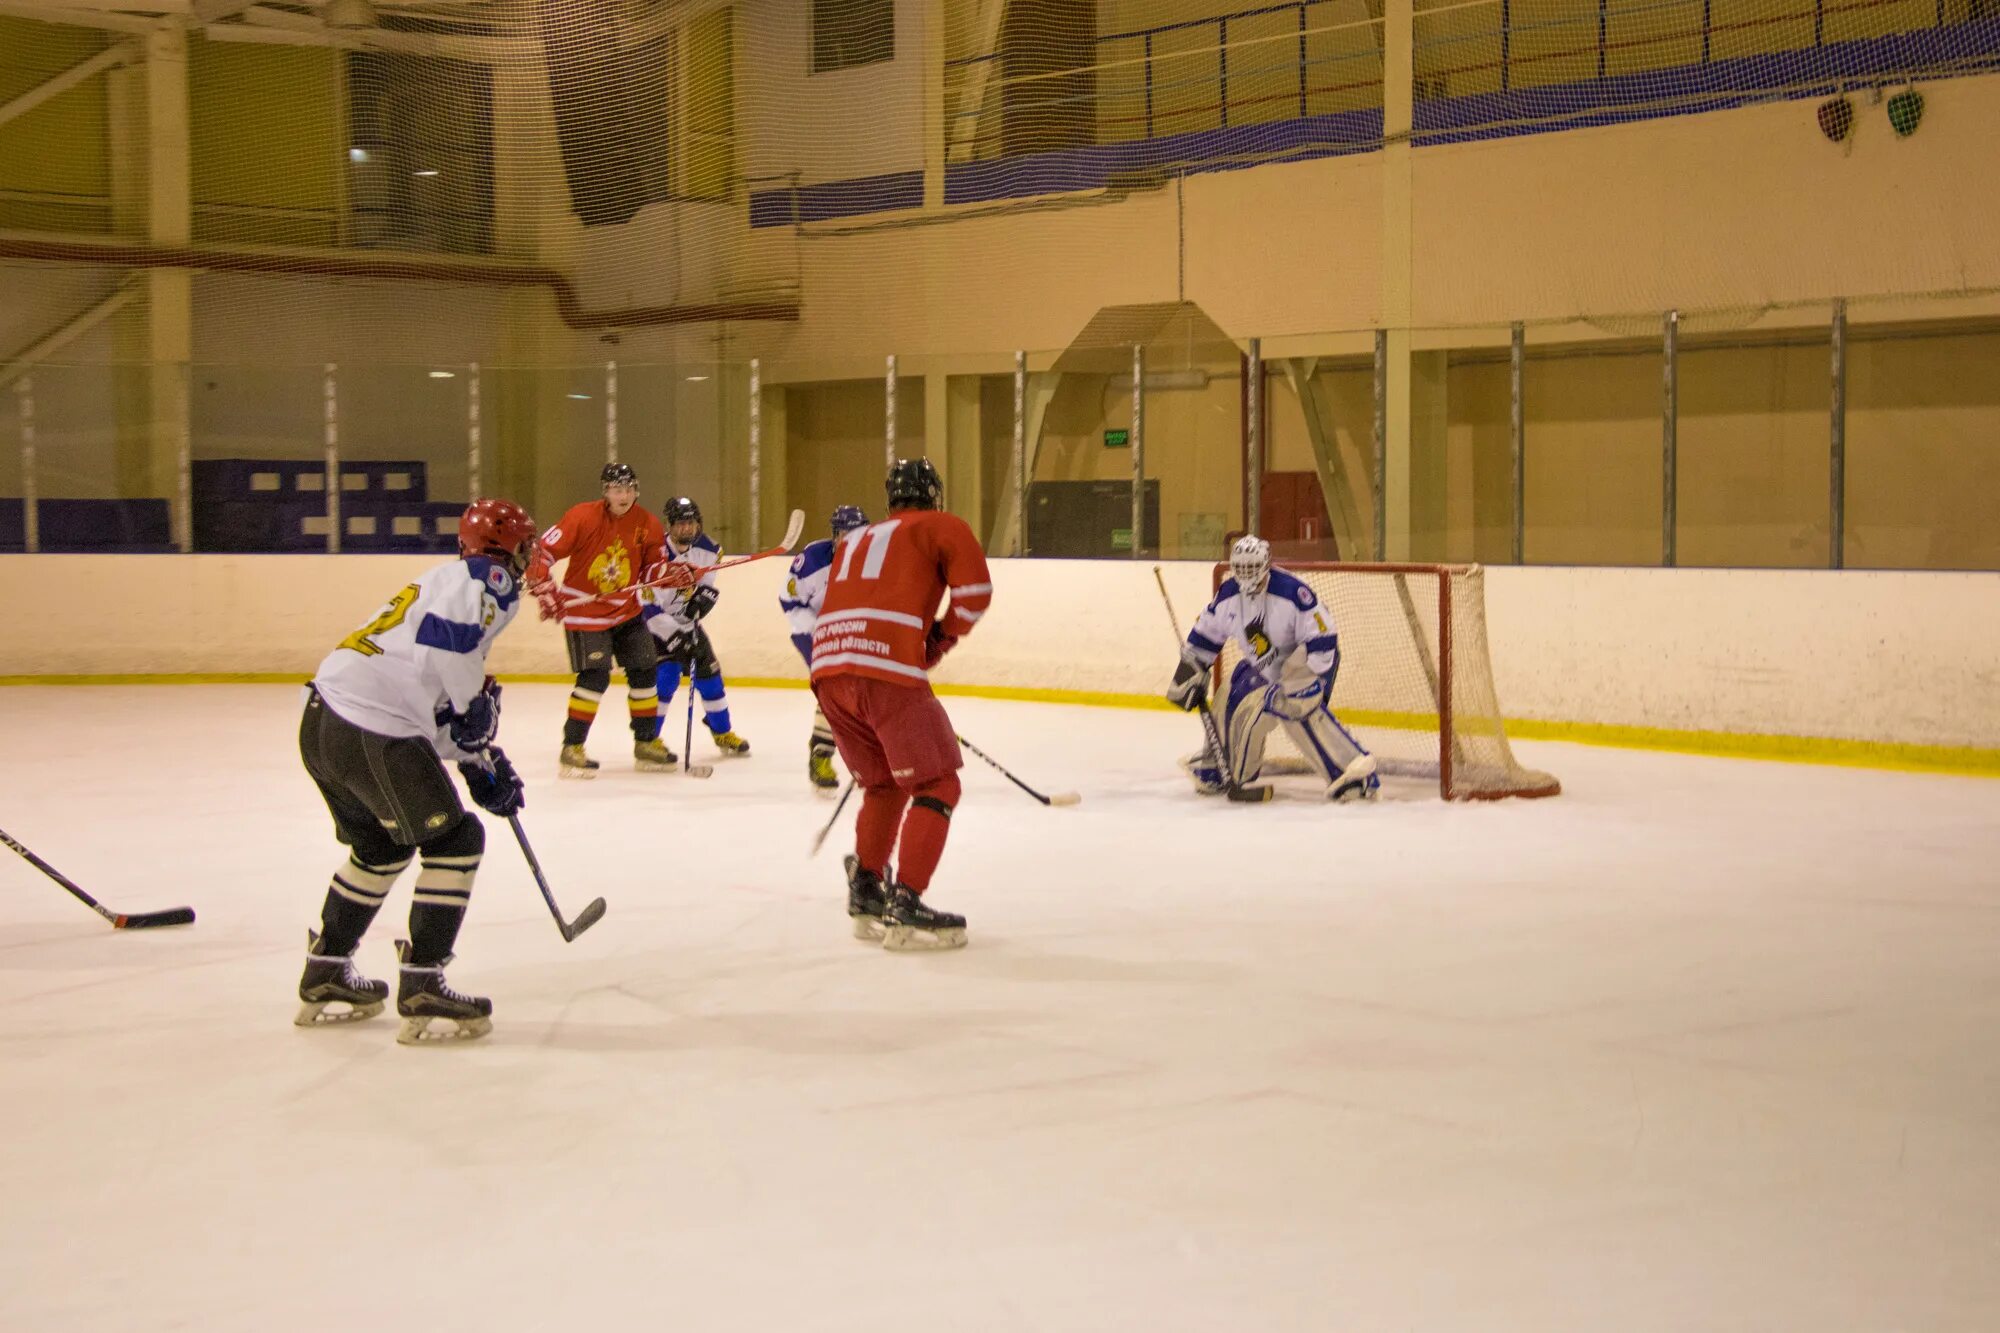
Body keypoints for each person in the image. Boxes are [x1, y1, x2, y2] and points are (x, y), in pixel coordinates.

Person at [296, 497, 537, 1044]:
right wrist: (475, 714)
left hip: (323, 721)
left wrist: (477, 760)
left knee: (381, 849)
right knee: (457, 841)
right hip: (372, 726)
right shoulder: (485, 580)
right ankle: (424, 980)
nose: (528, 557)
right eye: (524, 544)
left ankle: (326, 968)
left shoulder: (441, 581)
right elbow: (450, 654)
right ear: (501, 549)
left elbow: (430, 697)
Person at [811, 459, 991, 951]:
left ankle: (867, 888)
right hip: (885, 669)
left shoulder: (855, 539)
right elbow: (974, 595)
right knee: (938, 782)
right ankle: (906, 898)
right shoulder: (943, 525)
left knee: (883, 785)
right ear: (933, 493)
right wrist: (938, 640)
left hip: (827, 671)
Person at [1166, 535, 1380, 802]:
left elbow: (1323, 637)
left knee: (1297, 709)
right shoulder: (1229, 595)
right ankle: (1224, 770)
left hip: (1307, 661)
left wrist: (1306, 680)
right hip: (1264, 665)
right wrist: (1189, 674)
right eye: (1240, 568)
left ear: (1266, 564)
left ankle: (1354, 775)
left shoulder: (1292, 593)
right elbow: (1206, 634)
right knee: (1229, 697)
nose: (1245, 574)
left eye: (1252, 567)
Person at [526, 463, 673, 777]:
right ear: (605, 492)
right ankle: (572, 747)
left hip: (626, 611)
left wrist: (669, 575)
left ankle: (646, 741)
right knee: (595, 677)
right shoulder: (581, 516)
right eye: (617, 490)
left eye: (629, 489)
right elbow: (542, 552)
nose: (624, 496)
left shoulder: (648, 523)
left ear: (636, 490)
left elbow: (652, 568)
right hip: (584, 612)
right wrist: (542, 585)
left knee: (645, 669)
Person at [641, 496, 750, 758]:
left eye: (691, 523)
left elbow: (707, 584)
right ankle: (649, 740)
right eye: (681, 524)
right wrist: (674, 637)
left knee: (711, 678)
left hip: (689, 625)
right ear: (669, 525)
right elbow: (648, 606)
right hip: (656, 627)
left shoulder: (709, 549)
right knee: (665, 679)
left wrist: (704, 598)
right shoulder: (654, 553)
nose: (687, 529)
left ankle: (722, 731)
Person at [780, 503, 870, 789]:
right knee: (835, 691)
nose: (850, 541)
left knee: (870, 693)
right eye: (844, 534)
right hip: (813, 631)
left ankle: (870, 757)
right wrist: (819, 631)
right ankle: (821, 753)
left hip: (854, 633)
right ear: (834, 534)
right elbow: (790, 601)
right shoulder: (813, 559)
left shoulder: (876, 560)